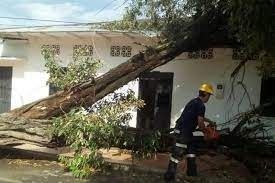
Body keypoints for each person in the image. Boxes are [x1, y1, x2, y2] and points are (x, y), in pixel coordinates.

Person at [164, 83, 214, 182]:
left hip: (183, 131)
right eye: (209, 95)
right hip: (183, 132)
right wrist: (207, 133)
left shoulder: (193, 101)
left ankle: (192, 173)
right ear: (206, 94)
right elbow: (200, 123)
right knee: (177, 155)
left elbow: (200, 117)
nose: (209, 98)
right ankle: (169, 177)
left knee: (191, 151)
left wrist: (210, 122)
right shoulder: (201, 105)